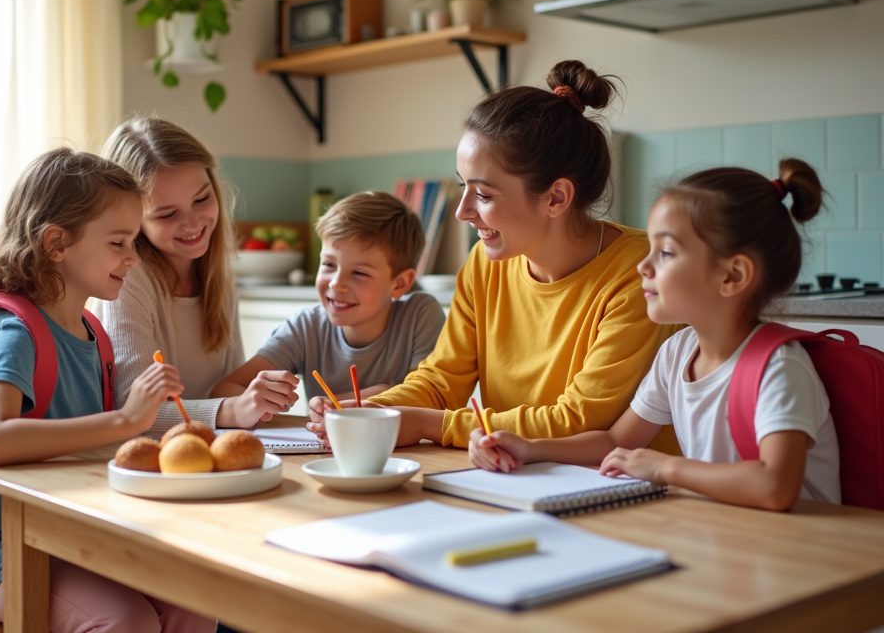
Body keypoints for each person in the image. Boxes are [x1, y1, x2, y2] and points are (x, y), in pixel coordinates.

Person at [0, 148, 217, 633]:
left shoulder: (92, 334)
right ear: (57, 243)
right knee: (122, 624)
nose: (133, 257)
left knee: (194, 604)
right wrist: (125, 420)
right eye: (118, 243)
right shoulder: (15, 332)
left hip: (62, 536)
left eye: (134, 241)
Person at [310, 59, 679, 451]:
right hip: (511, 471)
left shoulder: (640, 272)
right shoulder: (484, 264)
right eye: (463, 187)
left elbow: (580, 419)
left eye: (483, 194)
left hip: (629, 483)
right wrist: (374, 410)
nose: (462, 211)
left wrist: (425, 424)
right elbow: (440, 382)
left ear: (556, 197)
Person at [469, 160, 841, 511]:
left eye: (665, 253)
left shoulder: (779, 368)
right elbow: (616, 441)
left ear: (733, 275)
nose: (643, 266)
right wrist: (531, 448)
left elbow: (775, 487)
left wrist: (665, 468)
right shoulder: (677, 353)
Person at [96, 116, 290, 433]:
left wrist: (257, 399)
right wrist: (233, 409)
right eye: (167, 214)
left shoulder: (218, 273)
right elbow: (132, 409)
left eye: (201, 199)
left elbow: (228, 385)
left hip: (208, 447)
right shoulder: (128, 279)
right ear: (133, 220)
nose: (193, 223)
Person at [212, 191, 446, 407]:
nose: (336, 283)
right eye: (328, 264)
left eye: (359, 273)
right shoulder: (306, 327)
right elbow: (224, 390)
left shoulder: (420, 315)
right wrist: (258, 399)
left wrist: (343, 402)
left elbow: (427, 398)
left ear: (400, 283)